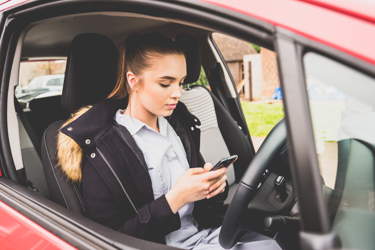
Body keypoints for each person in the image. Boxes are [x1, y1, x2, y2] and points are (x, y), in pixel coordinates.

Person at [56, 33, 280, 249]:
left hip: (207, 233)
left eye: (181, 83)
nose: (177, 93)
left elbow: (200, 208)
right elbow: (109, 240)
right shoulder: (102, 147)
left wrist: (212, 189)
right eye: (166, 84)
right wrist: (176, 198)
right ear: (133, 81)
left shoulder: (180, 123)